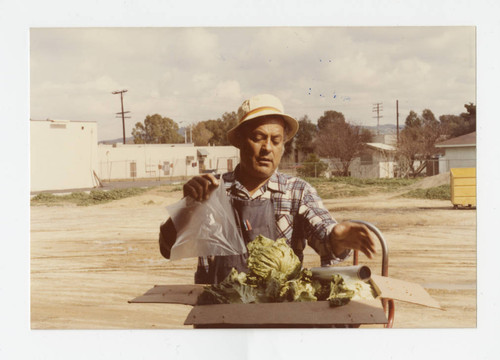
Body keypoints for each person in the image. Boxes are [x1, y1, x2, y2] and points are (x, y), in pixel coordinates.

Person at [159, 93, 376, 284]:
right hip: (218, 314)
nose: (267, 148)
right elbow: (167, 248)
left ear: (283, 146)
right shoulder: (211, 190)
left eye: (276, 140)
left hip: (279, 315)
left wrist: (337, 237)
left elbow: (326, 238)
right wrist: (187, 208)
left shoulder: (298, 192)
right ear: (241, 142)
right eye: (258, 138)